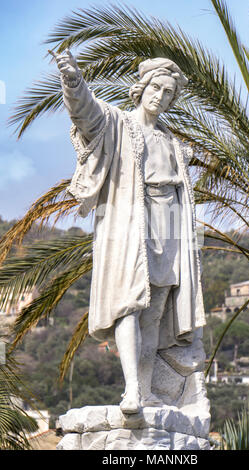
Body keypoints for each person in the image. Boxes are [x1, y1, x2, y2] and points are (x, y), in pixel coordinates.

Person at [50, 49, 205, 414]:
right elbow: (85, 112)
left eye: (169, 93)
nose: (160, 96)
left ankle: (148, 389)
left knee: (154, 311)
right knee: (129, 304)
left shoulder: (172, 142)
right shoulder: (118, 123)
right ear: (142, 86)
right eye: (156, 87)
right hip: (130, 221)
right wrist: (73, 79)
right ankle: (132, 390)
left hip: (170, 227)